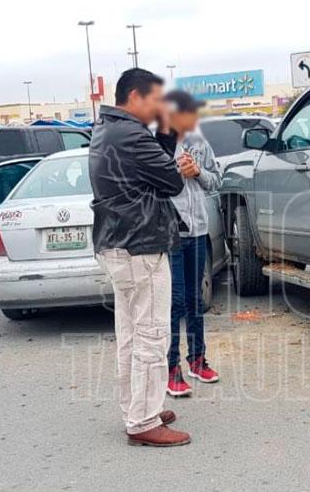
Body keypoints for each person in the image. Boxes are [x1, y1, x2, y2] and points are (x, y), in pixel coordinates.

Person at [89, 68, 191, 447]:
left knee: (131, 335)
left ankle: (136, 409)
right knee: (151, 334)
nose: (159, 107)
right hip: (140, 244)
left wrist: (163, 134)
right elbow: (171, 181)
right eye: (155, 100)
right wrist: (170, 134)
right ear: (134, 96)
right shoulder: (131, 135)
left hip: (119, 242)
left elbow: (153, 175)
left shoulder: (107, 129)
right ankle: (143, 421)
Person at [160, 90, 222, 397]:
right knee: (174, 303)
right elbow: (152, 185)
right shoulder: (156, 143)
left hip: (198, 231)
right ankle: (171, 368)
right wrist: (174, 171)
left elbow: (217, 180)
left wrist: (197, 172)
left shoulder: (198, 142)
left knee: (195, 299)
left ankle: (198, 359)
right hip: (171, 234)